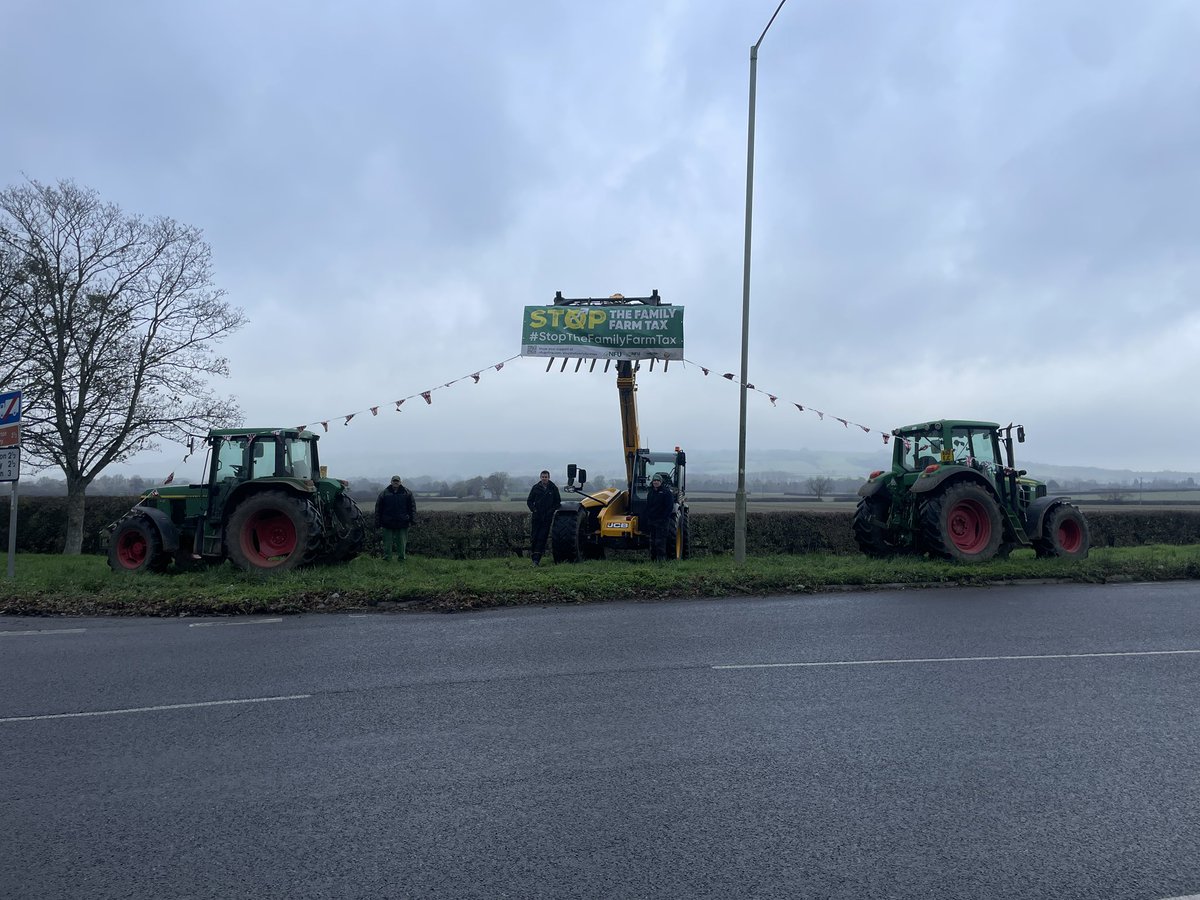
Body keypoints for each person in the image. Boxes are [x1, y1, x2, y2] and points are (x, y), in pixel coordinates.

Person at [375, 475, 417, 561]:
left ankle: (401, 558)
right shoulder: (384, 493)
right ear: (391, 482)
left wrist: (413, 520)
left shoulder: (407, 493)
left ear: (400, 482)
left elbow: (412, 507)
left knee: (402, 543)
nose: (395, 482)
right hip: (387, 522)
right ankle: (387, 559)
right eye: (394, 481)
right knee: (387, 543)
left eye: (397, 481)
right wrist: (377, 522)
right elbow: (378, 509)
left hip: (402, 522)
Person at [525, 469, 561, 566]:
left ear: (549, 478)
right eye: (543, 477)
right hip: (536, 517)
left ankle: (536, 560)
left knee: (542, 538)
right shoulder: (535, 488)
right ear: (540, 478)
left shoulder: (553, 488)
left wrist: (551, 511)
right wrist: (534, 510)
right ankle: (533, 558)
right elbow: (529, 501)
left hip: (547, 517)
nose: (544, 479)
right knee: (534, 537)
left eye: (546, 477)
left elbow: (557, 502)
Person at [644, 472, 675, 562]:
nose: (656, 482)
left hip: (662, 521)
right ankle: (653, 560)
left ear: (661, 482)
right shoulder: (651, 493)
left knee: (660, 541)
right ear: (652, 482)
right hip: (652, 521)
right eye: (654, 480)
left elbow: (669, 507)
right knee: (652, 541)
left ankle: (661, 560)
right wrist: (649, 517)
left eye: (657, 480)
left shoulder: (666, 493)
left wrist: (663, 518)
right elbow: (648, 506)